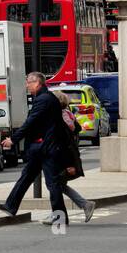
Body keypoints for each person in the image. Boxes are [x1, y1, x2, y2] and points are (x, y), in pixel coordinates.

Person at [0, 73, 70, 231]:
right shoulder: (46, 98)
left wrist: (13, 139)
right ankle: (11, 205)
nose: (26, 86)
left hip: (46, 148)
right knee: (26, 177)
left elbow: (31, 122)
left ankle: (59, 216)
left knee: (52, 183)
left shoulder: (44, 100)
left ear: (37, 83)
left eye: (28, 83)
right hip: (42, 147)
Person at [48, 92, 95, 224]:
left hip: (64, 159)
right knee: (58, 186)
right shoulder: (68, 115)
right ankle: (82, 206)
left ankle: (83, 205)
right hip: (66, 157)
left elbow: (65, 144)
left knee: (55, 185)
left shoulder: (60, 119)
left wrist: (69, 164)